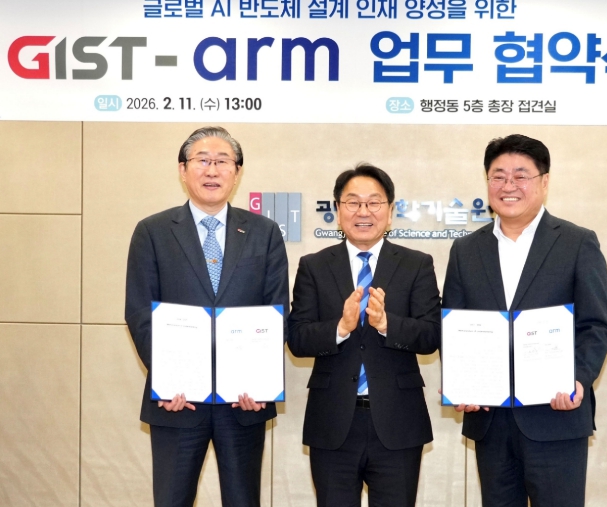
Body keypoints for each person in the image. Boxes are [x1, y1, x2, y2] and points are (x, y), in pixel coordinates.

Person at [442, 134, 607, 507]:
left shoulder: (577, 243)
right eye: (498, 176)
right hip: (491, 420)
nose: (508, 186)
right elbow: (453, 327)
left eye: (521, 176)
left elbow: (595, 327)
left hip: (556, 415)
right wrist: (461, 383)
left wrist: (578, 379)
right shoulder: (466, 250)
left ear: (544, 182)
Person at [125, 126, 289, 507]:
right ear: (183, 170)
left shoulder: (264, 233)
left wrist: (258, 382)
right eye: (202, 160)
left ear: (237, 172)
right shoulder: (152, 232)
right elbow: (140, 311)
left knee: (243, 500)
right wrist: (167, 379)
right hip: (177, 402)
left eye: (222, 161)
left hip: (243, 403)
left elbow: (277, 310)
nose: (212, 170)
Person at [288, 163, 441, 507]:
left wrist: (387, 324)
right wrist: (340, 328)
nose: (363, 211)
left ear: (390, 210)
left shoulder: (417, 264)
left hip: (398, 421)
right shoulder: (314, 265)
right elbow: (297, 338)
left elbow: (431, 335)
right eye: (353, 202)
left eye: (374, 202)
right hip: (332, 423)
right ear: (337, 209)